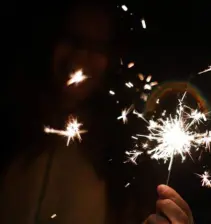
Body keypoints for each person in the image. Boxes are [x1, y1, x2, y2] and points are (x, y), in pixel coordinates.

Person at [0, 1, 193, 223]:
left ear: (111, 59)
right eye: (73, 40)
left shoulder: (123, 165)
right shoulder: (9, 134)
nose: (80, 56)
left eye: (96, 46)